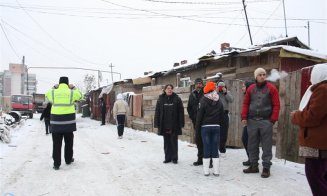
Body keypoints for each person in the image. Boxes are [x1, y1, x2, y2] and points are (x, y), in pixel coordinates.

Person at [290, 63, 327, 196]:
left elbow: (312, 116)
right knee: (322, 177)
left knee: (315, 177)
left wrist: (295, 116)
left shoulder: (323, 89)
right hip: (321, 143)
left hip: (318, 145)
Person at [241, 68, 280, 178]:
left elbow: (276, 105)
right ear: (256, 77)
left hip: (266, 121)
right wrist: (244, 116)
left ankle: (266, 167)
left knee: (266, 145)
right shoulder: (251, 89)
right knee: (252, 144)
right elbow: (245, 104)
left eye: (264, 74)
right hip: (252, 121)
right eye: (260, 75)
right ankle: (254, 166)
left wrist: (272, 119)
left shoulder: (271, 88)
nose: (262, 76)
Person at [46, 76, 82, 170]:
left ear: (59, 83)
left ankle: (56, 164)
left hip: (56, 122)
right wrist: (73, 87)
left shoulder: (53, 92)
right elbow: (80, 96)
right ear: (67, 83)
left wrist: (54, 87)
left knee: (56, 144)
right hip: (68, 123)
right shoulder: (71, 92)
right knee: (69, 142)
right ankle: (68, 159)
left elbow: (47, 94)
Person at [196, 81, 224, 176]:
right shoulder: (218, 99)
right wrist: (220, 125)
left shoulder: (203, 100)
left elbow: (199, 116)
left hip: (205, 127)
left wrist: (197, 128)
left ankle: (206, 171)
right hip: (216, 127)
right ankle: (216, 171)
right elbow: (222, 115)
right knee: (215, 148)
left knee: (206, 147)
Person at [154, 84, 184, 164]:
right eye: (168, 88)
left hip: (174, 124)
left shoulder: (177, 99)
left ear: (172, 89)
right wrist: (157, 123)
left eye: (171, 88)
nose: (169, 90)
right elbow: (157, 111)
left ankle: (174, 158)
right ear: (165, 90)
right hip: (164, 124)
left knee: (174, 142)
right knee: (166, 142)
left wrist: (181, 123)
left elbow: (181, 112)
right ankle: (167, 158)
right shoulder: (161, 99)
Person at [187, 78, 204, 166]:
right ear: (195, 84)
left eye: (200, 83)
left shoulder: (206, 93)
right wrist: (193, 117)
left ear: (202, 84)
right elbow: (189, 107)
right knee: (198, 140)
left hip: (205, 121)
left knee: (207, 141)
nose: (198, 85)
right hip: (196, 122)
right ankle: (200, 159)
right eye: (197, 83)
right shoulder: (192, 94)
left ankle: (209, 160)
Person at [216, 81, 234, 156]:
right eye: (219, 87)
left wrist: (225, 93)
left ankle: (222, 150)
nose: (221, 88)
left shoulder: (227, 92)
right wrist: (216, 92)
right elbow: (212, 100)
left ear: (225, 87)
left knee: (224, 133)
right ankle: (215, 149)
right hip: (216, 114)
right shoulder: (215, 93)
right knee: (216, 132)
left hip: (224, 114)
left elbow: (231, 100)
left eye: (222, 87)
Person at [241, 80, 255, 166]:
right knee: (245, 139)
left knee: (248, 140)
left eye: (243, 86)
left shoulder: (253, 97)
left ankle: (253, 159)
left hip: (253, 122)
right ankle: (251, 158)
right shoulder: (247, 96)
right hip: (248, 121)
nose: (242, 88)